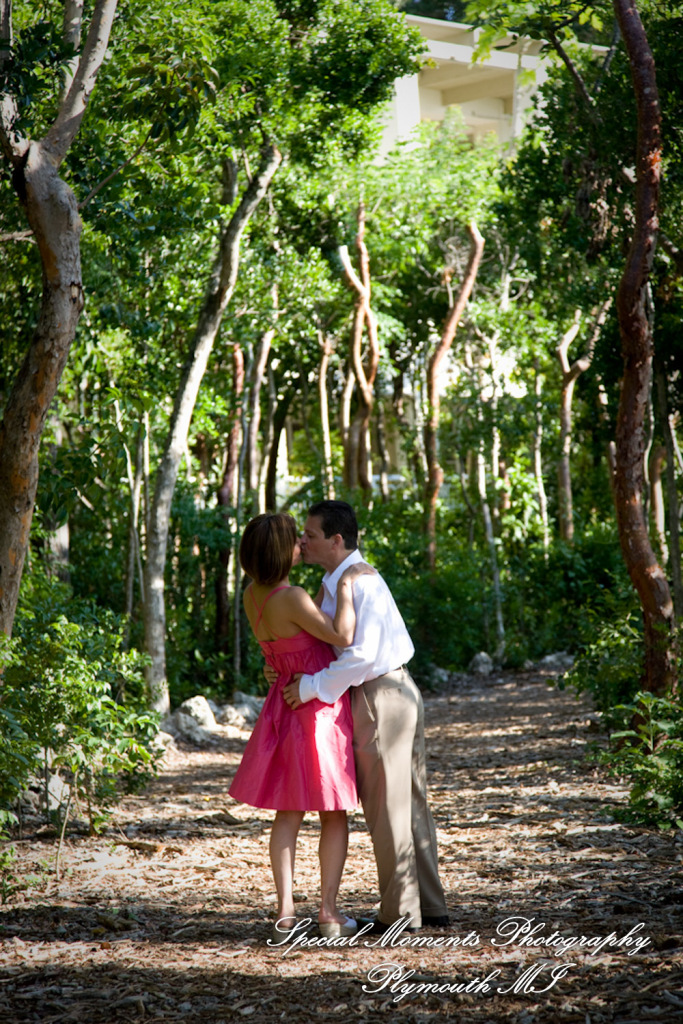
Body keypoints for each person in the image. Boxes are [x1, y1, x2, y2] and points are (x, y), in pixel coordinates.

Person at [281, 500, 449, 934]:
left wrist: (310, 687)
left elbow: (360, 657)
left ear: (337, 541)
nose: (302, 541)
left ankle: (401, 916)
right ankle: (428, 907)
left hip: (380, 694)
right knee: (408, 802)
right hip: (396, 691)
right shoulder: (339, 578)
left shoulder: (357, 581)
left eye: (311, 536)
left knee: (387, 808)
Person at [228, 512, 371, 944]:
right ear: (280, 551)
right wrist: (347, 581)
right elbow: (342, 636)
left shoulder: (253, 596)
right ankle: (328, 911)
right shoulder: (292, 596)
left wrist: (278, 670)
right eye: (295, 541)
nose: (301, 546)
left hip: (282, 706)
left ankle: (285, 912)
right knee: (332, 812)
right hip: (314, 708)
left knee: (288, 813)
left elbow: (279, 652)